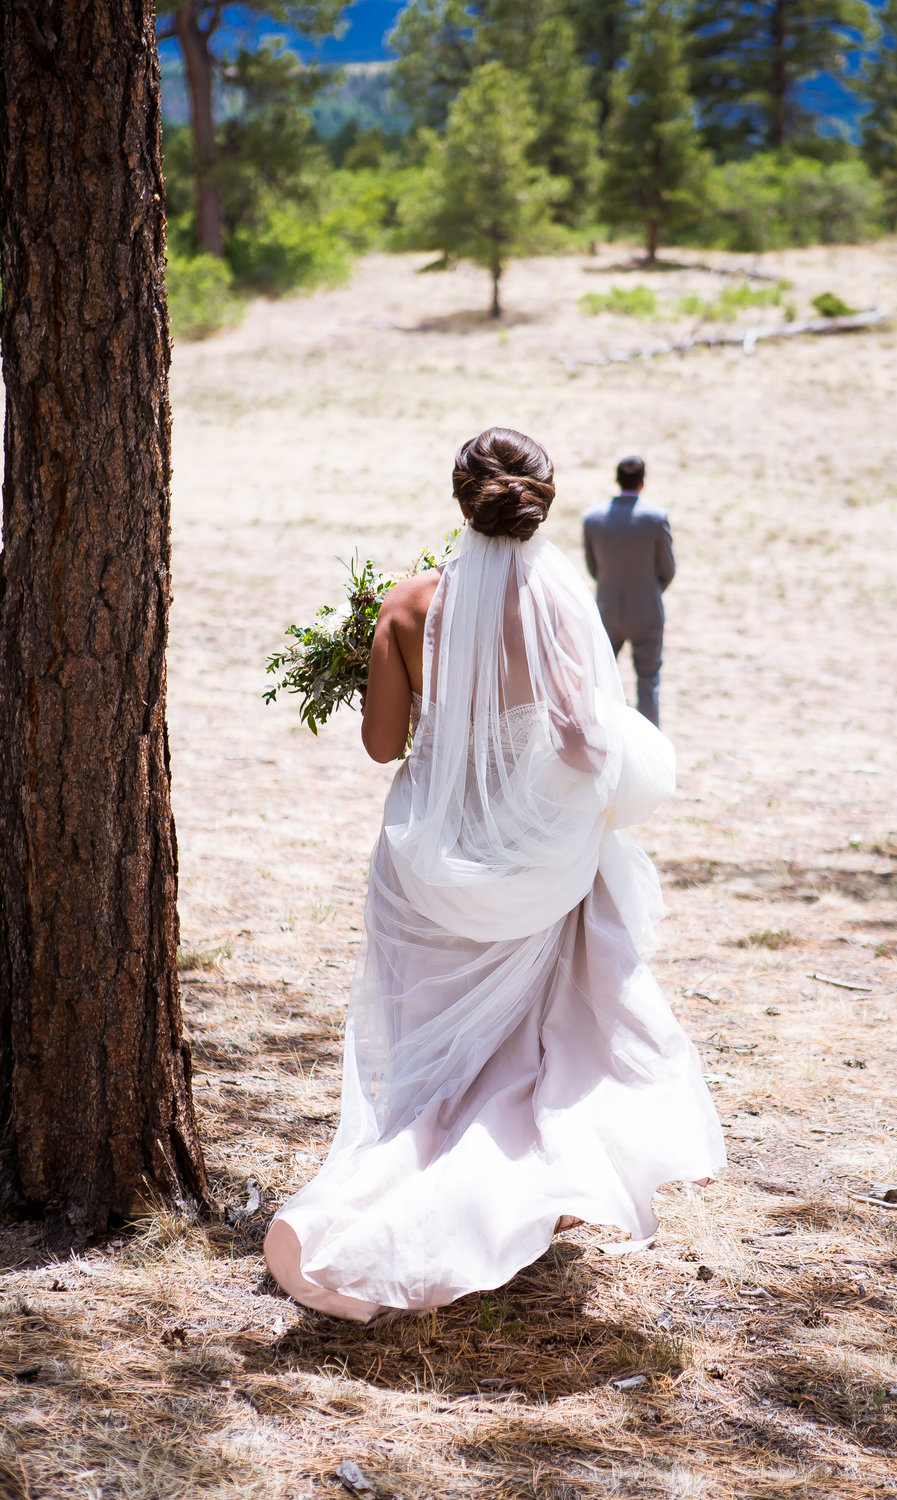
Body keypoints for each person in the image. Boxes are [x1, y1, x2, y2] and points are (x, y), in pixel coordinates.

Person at [263, 427, 724, 1322]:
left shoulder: (406, 607)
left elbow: (381, 745)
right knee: (531, 1040)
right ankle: (515, 1188)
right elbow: (588, 741)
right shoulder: (559, 605)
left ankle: (412, 1177)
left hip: (428, 868)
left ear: (460, 498)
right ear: (540, 498)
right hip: (532, 866)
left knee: (429, 1048)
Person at [582, 456, 675, 728]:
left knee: (601, 680)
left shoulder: (593, 518)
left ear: (617, 479)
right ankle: (649, 742)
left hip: (607, 609)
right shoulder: (656, 518)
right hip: (646, 609)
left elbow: (593, 567)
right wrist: (651, 590)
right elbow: (668, 568)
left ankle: (600, 734)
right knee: (648, 681)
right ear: (642, 482)